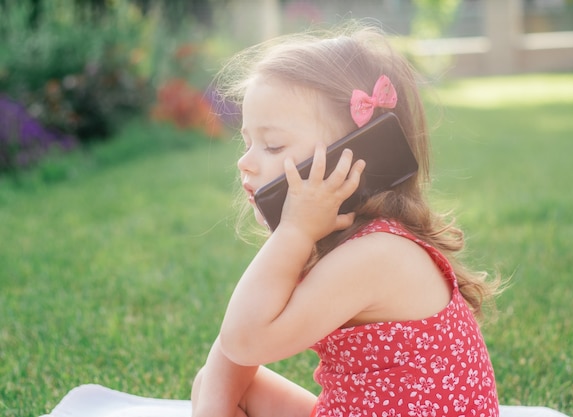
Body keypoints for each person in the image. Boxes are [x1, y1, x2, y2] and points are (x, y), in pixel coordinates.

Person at [191, 21, 503, 417]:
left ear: (354, 156)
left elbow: (244, 340)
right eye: (247, 141)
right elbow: (233, 346)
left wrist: (294, 232)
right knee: (212, 384)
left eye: (272, 145)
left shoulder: (377, 256)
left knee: (219, 384)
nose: (245, 163)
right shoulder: (346, 242)